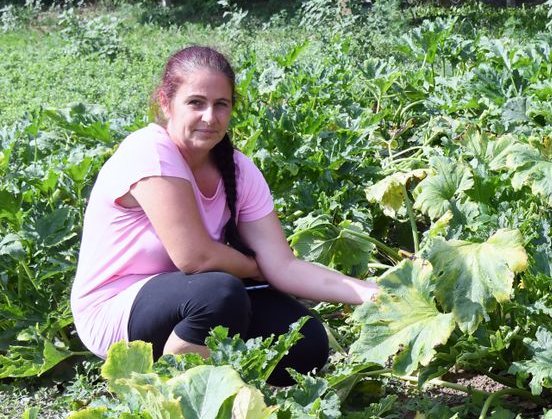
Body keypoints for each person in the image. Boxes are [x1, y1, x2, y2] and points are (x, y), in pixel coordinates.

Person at [71, 46, 378, 386]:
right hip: (117, 312)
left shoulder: (239, 171)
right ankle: (169, 396)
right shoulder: (150, 152)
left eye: (221, 105)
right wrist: (255, 266)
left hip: (194, 299)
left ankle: (214, 371)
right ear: (165, 102)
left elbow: (285, 266)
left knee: (305, 343)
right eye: (196, 103)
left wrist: (370, 293)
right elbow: (194, 257)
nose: (210, 117)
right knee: (221, 294)